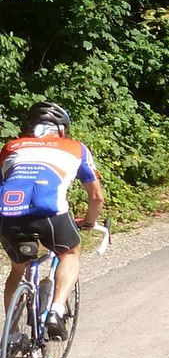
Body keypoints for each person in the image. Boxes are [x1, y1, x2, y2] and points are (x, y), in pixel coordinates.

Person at [1, 101, 105, 338]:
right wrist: (89, 222)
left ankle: (12, 334)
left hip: (9, 215)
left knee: (17, 268)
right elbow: (96, 197)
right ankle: (55, 311)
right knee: (70, 253)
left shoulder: (10, 147)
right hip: (50, 215)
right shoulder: (76, 148)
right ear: (61, 128)